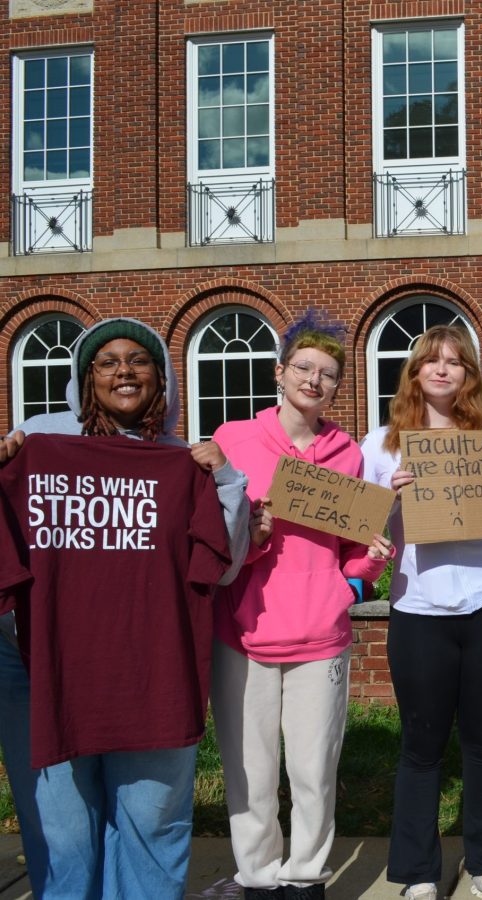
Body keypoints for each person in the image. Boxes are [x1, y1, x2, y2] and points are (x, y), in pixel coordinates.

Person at [0, 317, 250, 900]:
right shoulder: (37, 441)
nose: (124, 371)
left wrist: (226, 480)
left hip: (150, 671)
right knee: (63, 835)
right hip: (46, 666)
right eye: (108, 361)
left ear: (160, 378)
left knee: (152, 822)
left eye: (138, 360)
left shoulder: (181, 461)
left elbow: (223, 564)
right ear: (86, 377)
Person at [210, 313, 393, 900]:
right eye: (305, 368)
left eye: (330, 375)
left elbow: (355, 549)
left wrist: (358, 579)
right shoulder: (232, 440)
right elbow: (210, 535)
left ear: (339, 388)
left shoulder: (349, 456)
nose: (315, 381)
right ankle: (258, 877)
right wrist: (252, 536)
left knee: (313, 772)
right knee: (250, 771)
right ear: (280, 372)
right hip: (243, 632)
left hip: (321, 633)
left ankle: (305, 877)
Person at [359, 325, 482, 900]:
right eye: (431, 361)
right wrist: (390, 502)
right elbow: (363, 533)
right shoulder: (381, 443)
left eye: (455, 363)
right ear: (413, 372)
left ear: (468, 376)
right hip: (419, 604)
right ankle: (418, 873)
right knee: (420, 746)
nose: (442, 370)